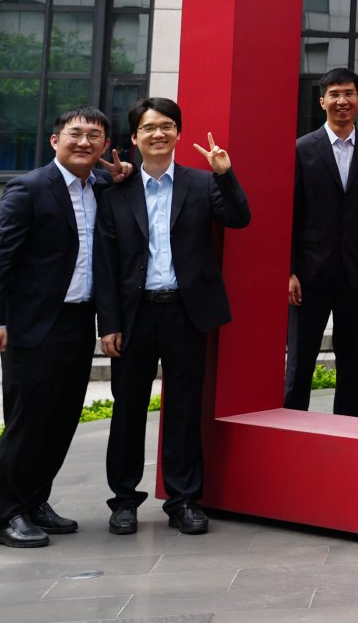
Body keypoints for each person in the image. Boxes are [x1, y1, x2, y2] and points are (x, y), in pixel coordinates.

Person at [95, 98, 251, 536]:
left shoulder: (201, 183)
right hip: (134, 315)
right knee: (128, 409)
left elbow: (239, 218)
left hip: (186, 312)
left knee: (184, 408)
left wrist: (225, 173)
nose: (158, 134)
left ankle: (183, 500)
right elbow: (105, 265)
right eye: (149, 128)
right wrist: (108, 324)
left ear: (179, 133)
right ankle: (124, 500)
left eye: (166, 126)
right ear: (135, 137)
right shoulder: (116, 191)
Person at [0, 107, 131, 548]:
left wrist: (124, 174)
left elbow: (124, 188)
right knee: (27, 421)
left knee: (61, 419)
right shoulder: (27, 188)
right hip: (33, 325)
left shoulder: (101, 185)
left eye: (94, 136)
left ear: (105, 146)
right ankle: (5, 517)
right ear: (55, 140)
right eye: (75, 134)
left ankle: (34, 501)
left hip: (79, 321)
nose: (84, 142)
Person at [284, 68, 358, 416]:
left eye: (349, 93)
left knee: (352, 362)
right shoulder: (301, 149)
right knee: (300, 360)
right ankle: (292, 429)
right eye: (334, 94)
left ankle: (349, 431)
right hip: (309, 274)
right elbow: (290, 212)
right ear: (322, 101)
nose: (342, 101)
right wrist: (290, 270)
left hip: (357, 275)